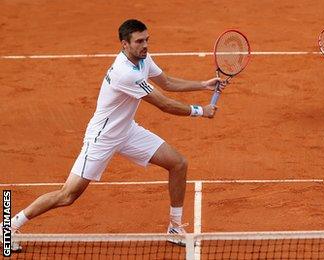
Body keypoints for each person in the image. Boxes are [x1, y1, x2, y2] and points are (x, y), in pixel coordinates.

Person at [10, 19, 224, 250]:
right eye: (139, 41)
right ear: (125, 44)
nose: (145, 45)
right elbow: (164, 104)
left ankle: (174, 227)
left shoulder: (143, 59)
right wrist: (201, 111)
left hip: (127, 131)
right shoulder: (125, 73)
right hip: (102, 138)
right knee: (68, 195)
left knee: (178, 163)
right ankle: (10, 226)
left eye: (147, 40)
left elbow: (168, 83)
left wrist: (203, 85)